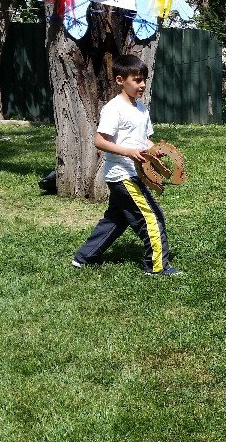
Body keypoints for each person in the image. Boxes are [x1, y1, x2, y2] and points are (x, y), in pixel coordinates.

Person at [72, 54, 181, 276]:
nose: (142, 85)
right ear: (121, 80)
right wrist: (129, 152)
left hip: (136, 174)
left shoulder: (141, 109)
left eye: (144, 80)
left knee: (117, 219)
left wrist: (154, 149)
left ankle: (83, 257)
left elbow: (144, 140)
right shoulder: (114, 109)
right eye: (137, 80)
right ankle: (156, 267)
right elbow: (99, 140)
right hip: (122, 175)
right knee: (152, 217)